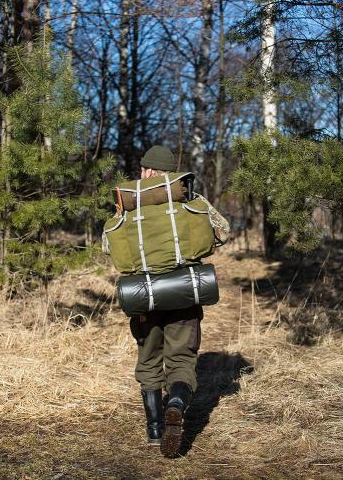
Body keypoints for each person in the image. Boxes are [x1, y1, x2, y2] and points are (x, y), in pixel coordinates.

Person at [126, 146, 230, 458]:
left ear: (146, 171)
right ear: (172, 173)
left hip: (144, 296)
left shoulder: (130, 203)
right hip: (185, 291)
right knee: (182, 359)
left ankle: (156, 430)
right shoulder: (192, 201)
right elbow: (223, 231)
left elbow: (110, 246)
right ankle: (176, 403)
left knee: (148, 359)